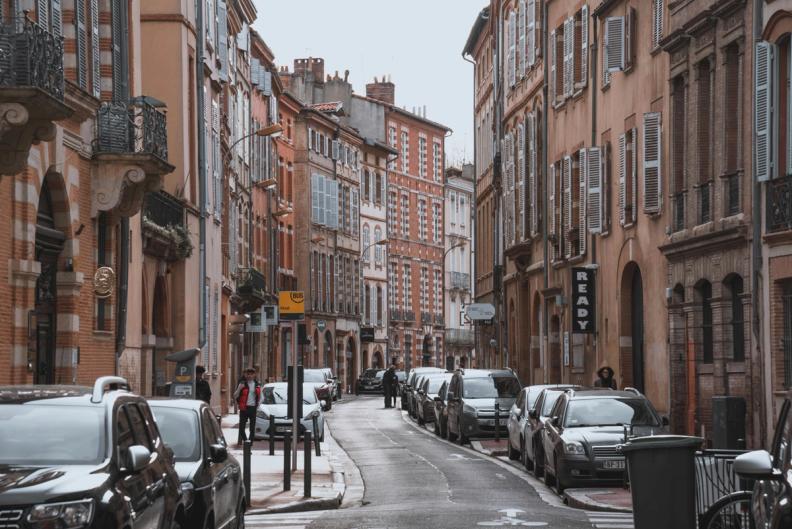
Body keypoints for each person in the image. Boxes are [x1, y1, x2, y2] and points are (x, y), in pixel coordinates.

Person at [233, 368, 261, 445]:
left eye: (251, 374)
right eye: (248, 374)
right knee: (241, 428)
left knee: (252, 428)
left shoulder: (257, 385)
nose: (249, 376)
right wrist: (239, 389)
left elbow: (261, 397)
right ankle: (246, 442)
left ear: (254, 375)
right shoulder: (242, 384)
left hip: (253, 408)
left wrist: (257, 406)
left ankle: (250, 443)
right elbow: (235, 396)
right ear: (246, 375)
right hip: (244, 408)